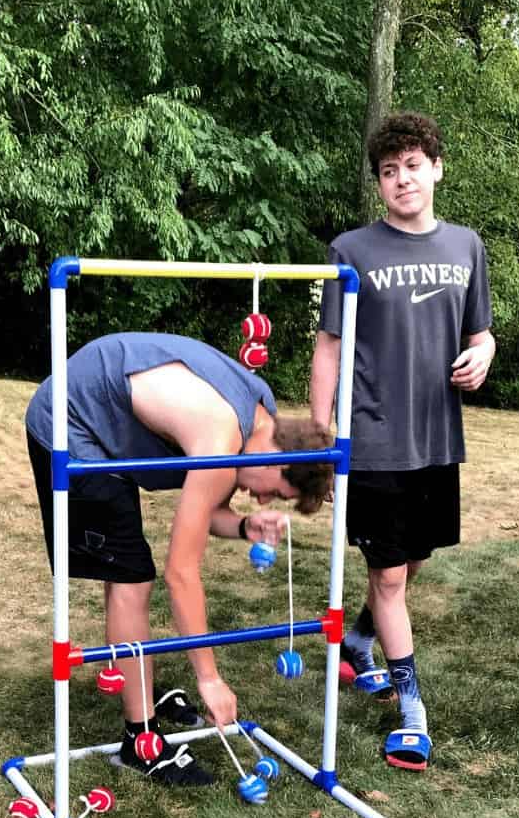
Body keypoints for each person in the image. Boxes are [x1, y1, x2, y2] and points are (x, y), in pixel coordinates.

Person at [27, 331, 334, 786]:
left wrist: (245, 526)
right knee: (132, 578)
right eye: (274, 491)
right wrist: (208, 677)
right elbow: (182, 572)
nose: (259, 496)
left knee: (129, 570)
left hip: (104, 415)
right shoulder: (220, 437)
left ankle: (143, 692)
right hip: (71, 424)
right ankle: (140, 740)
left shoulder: (258, 417)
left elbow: (210, 512)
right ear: (277, 456)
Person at [311, 111, 495, 771]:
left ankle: (359, 642)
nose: (402, 179)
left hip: (438, 436)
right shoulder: (352, 250)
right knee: (388, 574)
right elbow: (329, 346)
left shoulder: (467, 247)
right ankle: (411, 706)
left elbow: (481, 332)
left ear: (437, 168)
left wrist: (486, 354)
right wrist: (324, 431)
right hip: (374, 438)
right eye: (389, 172)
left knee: (415, 561)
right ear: (380, 185)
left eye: (413, 165)